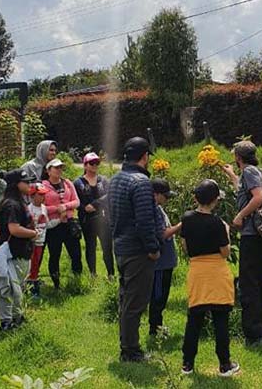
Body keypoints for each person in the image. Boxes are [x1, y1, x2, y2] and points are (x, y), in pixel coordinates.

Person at [180, 179, 240, 377]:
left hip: (197, 272)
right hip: (217, 272)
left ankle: (187, 364)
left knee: (194, 319)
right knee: (220, 320)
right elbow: (225, 252)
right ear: (215, 201)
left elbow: (186, 248)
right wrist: (227, 233)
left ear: (196, 198)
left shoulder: (187, 218)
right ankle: (225, 365)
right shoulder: (217, 223)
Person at [109, 136, 161, 363]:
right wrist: (152, 248)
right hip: (137, 251)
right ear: (145, 156)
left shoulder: (116, 179)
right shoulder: (140, 183)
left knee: (126, 300)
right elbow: (144, 222)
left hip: (120, 246)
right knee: (135, 303)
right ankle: (130, 351)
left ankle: (127, 345)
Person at [221, 140, 262, 346]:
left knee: (249, 282)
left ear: (238, 158)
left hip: (253, 234)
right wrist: (233, 176)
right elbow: (246, 193)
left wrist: (240, 216)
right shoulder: (254, 172)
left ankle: (254, 333)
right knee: (261, 279)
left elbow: (258, 197)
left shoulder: (250, 172)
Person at [0, 169, 37, 331]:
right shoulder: (12, 204)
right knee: (8, 289)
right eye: (26, 182)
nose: (29, 184)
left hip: (21, 251)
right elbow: (14, 229)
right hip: (11, 253)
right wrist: (34, 233)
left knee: (18, 288)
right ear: (16, 184)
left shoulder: (19, 201)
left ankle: (18, 316)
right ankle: (6, 322)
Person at [74, 152, 114, 278]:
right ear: (85, 165)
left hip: (103, 218)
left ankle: (111, 273)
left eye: (97, 163)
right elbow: (75, 200)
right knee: (90, 246)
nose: (95, 165)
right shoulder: (78, 183)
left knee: (107, 247)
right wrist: (84, 208)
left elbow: (109, 196)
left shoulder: (104, 181)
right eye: (92, 163)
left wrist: (95, 204)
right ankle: (92, 273)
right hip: (87, 219)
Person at [149, 178, 181, 336]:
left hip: (166, 262)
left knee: (162, 295)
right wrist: (182, 225)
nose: (167, 198)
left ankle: (158, 326)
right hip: (160, 264)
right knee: (158, 296)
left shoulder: (158, 208)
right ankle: (155, 328)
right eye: (165, 195)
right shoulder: (153, 210)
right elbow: (163, 234)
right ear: (155, 195)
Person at [43, 158, 81, 287]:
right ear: (48, 171)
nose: (59, 170)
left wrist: (65, 206)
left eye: (61, 167)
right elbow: (40, 207)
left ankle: (77, 280)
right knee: (55, 254)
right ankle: (56, 283)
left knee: (76, 253)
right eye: (56, 167)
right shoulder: (43, 186)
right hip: (54, 225)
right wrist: (56, 209)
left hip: (69, 222)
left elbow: (77, 201)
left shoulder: (68, 183)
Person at [27, 183, 57, 298]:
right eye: (40, 195)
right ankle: (28, 288)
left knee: (36, 264)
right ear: (32, 195)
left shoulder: (44, 208)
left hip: (41, 241)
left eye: (44, 195)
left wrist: (59, 220)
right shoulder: (29, 209)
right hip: (31, 242)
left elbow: (47, 224)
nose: (43, 197)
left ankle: (34, 286)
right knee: (30, 264)